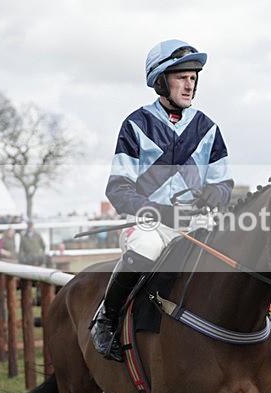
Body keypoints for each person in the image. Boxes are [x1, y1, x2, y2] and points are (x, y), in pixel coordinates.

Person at [91, 39, 234, 362]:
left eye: (193, 77)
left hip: (197, 223)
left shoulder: (207, 128)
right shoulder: (136, 125)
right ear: (160, 80)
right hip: (151, 225)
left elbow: (224, 182)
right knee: (145, 251)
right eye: (181, 76)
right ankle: (107, 318)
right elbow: (118, 187)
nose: (189, 84)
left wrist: (216, 193)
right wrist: (156, 211)